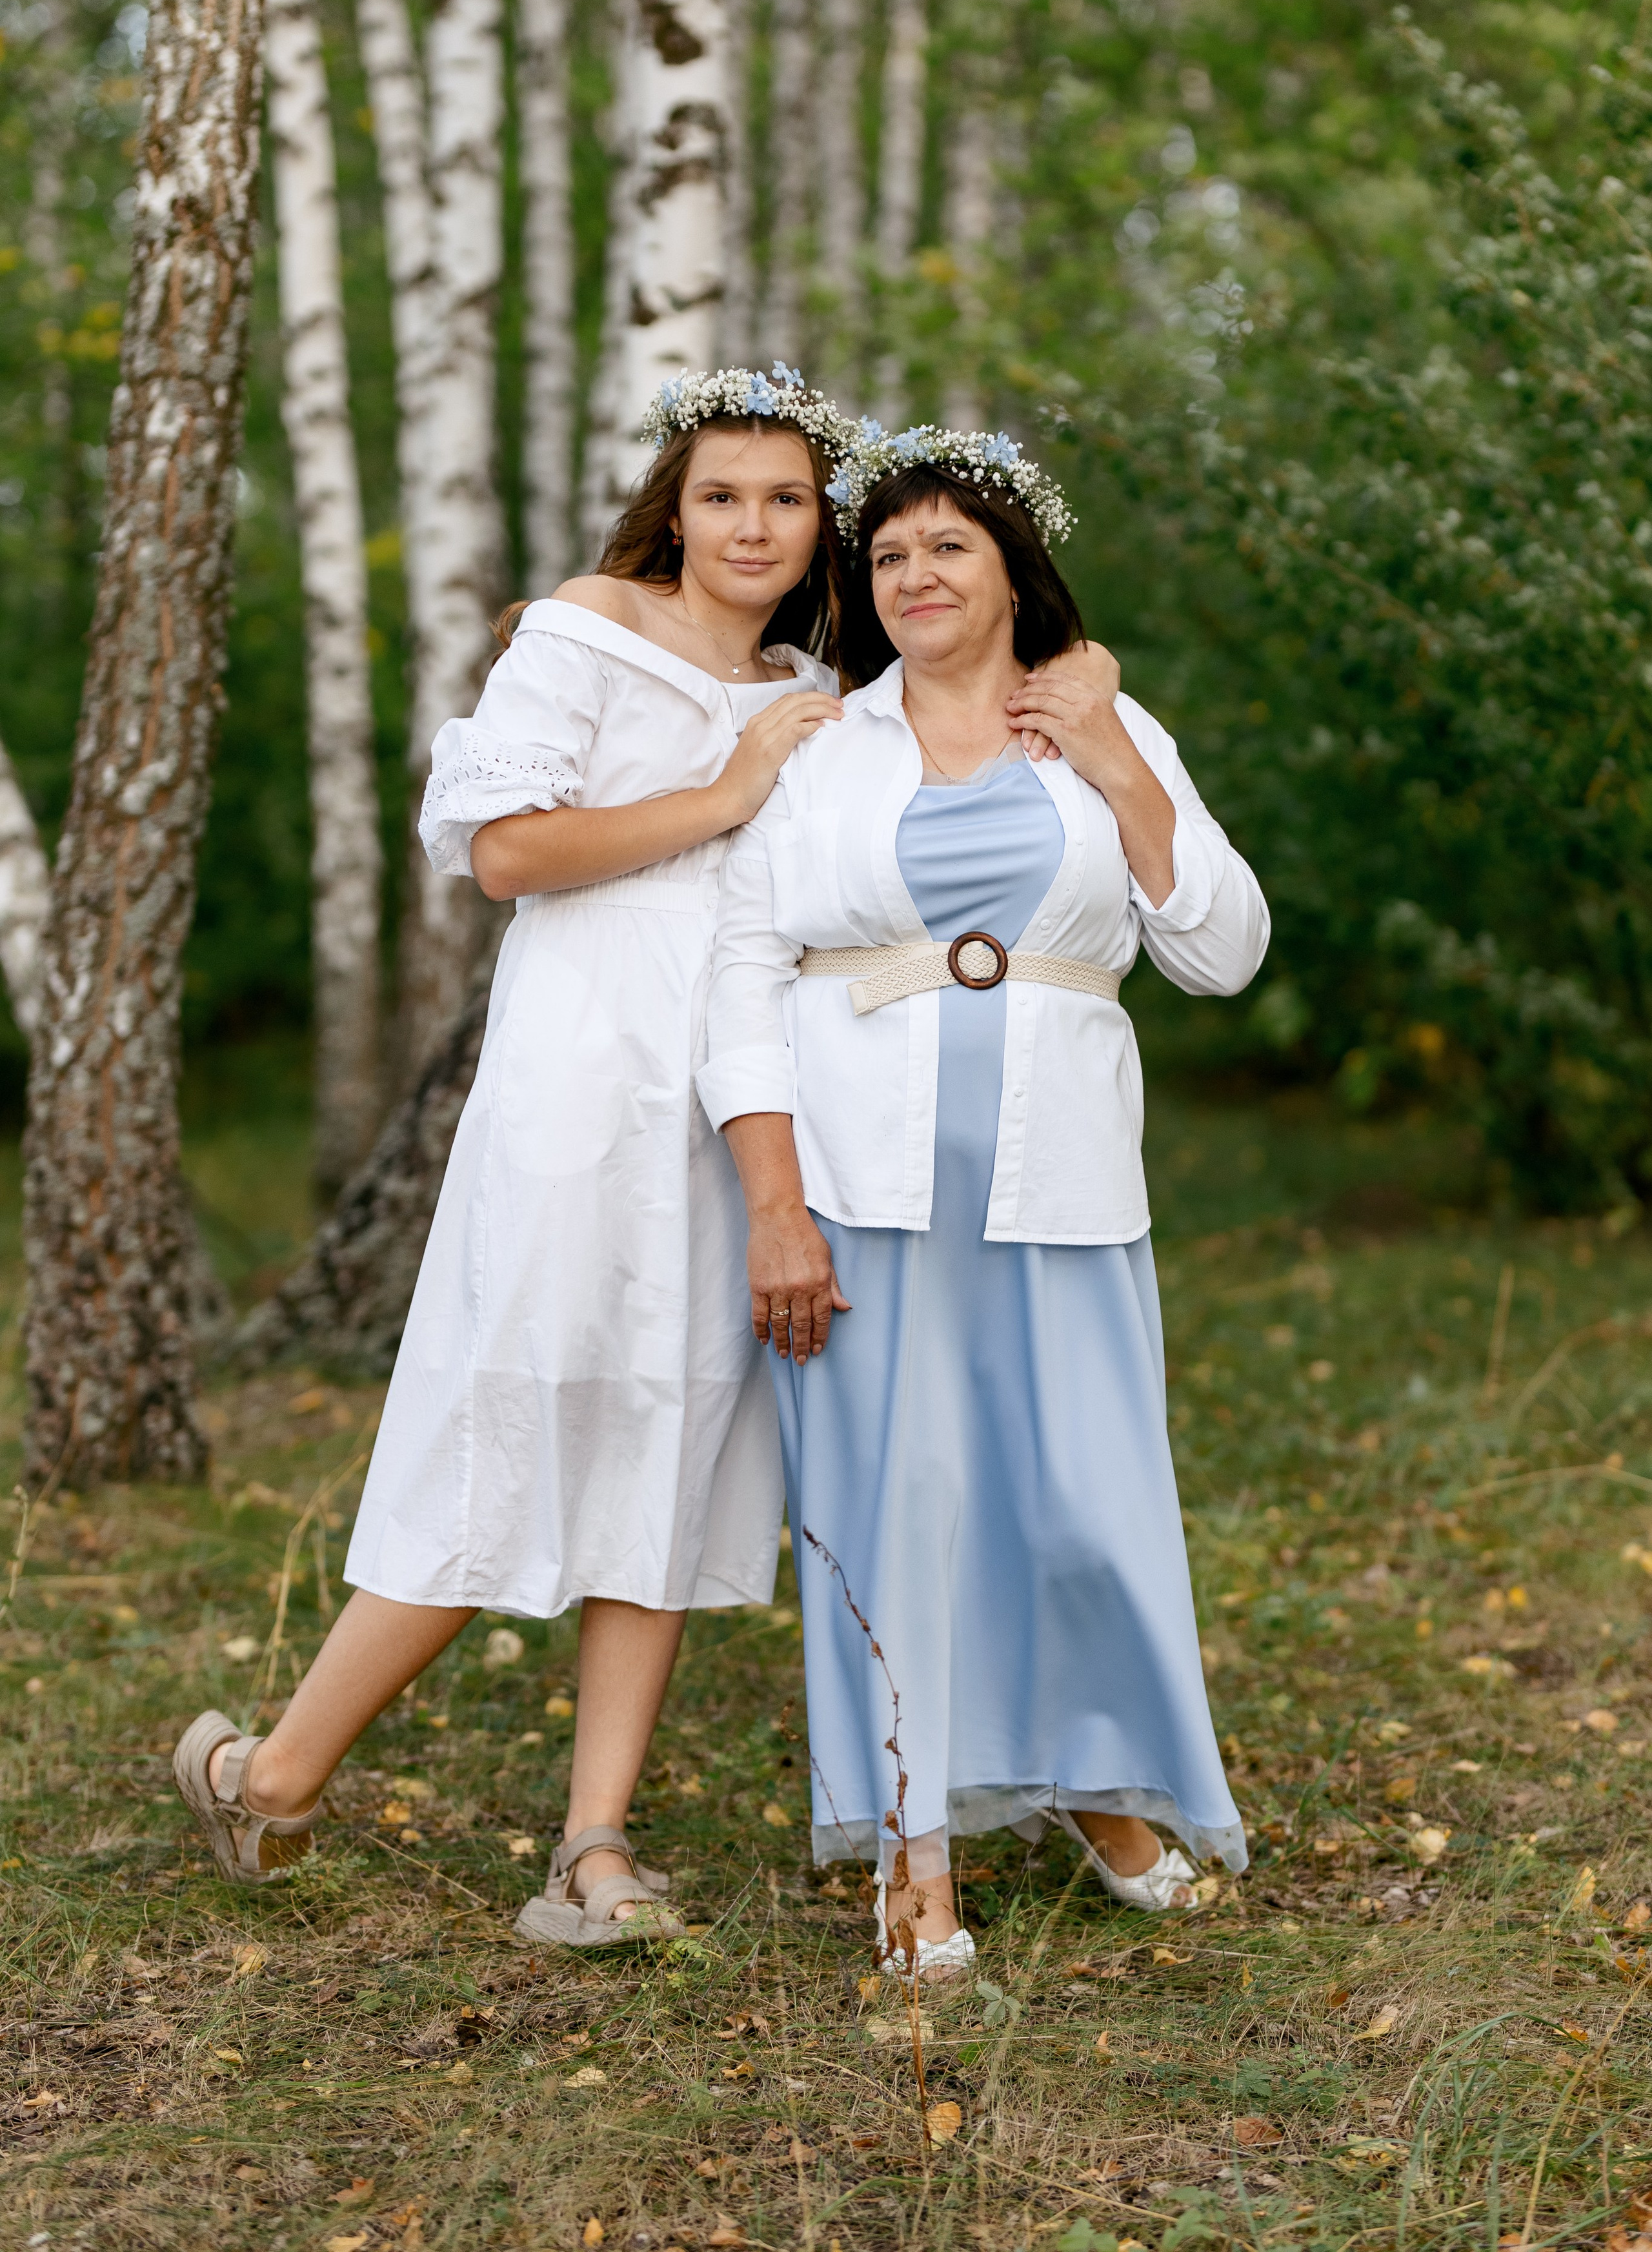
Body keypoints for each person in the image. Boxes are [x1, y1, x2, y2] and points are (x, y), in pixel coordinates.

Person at [174, 367, 849, 1946]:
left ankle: (593, 1848)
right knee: (507, 1425)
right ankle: (273, 1781)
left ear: (820, 525)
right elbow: (508, 854)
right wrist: (725, 790)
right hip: (573, 1094)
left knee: (672, 1451)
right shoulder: (582, 636)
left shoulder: (814, 685)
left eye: (785, 499)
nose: (751, 525)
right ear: (672, 510)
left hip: (736, 1110)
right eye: (721, 495)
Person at [697, 424, 1269, 1978]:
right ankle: (912, 1842)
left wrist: (1114, 758)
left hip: (1059, 1181)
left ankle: (1098, 1788)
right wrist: (771, 1202)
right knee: (899, 1508)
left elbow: (1220, 952)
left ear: (1012, 569)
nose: (911, 575)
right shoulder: (820, 746)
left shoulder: (1104, 722)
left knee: (1078, 1505)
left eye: (946, 545)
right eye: (884, 555)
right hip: (862, 1183)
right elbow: (742, 984)